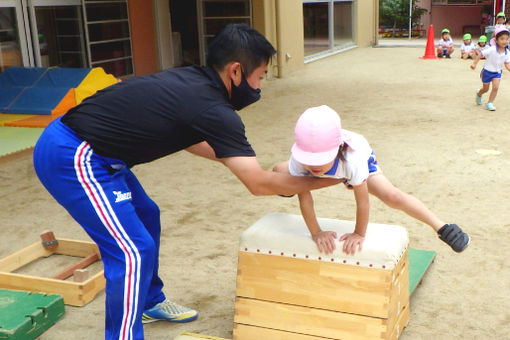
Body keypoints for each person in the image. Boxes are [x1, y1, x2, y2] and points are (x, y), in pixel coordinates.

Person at [32, 24, 341, 340]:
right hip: (73, 153)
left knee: (146, 214)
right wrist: (332, 179)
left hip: (97, 149)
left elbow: (188, 138)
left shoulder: (197, 83)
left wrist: (244, 164)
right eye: (260, 76)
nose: (260, 86)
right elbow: (258, 185)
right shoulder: (216, 109)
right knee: (132, 250)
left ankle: (148, 300)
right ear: (236, 71)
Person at [273, 105, 470, 256]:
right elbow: (305, 199)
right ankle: (292, 176)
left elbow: (363, 201)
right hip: (333, 169)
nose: (314, 165)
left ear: (336, 149)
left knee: (392, 196)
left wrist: (359, 233)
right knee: (278, 174)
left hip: (356, 164)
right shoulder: (300, 158)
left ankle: (443, 227)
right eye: (310, 161)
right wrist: (316, 233)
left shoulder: (353, 160)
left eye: (320, 160)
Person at [471, 27, 510, 111]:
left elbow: (507, 64)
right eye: (502, 39)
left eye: (507, 39)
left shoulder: (507, 52)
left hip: (497, 73)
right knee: (485, 89)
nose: (505, 41)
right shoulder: (491, 49)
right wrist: (474, 64)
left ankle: (489, 103)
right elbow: (481, 54)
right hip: (487, 72)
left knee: (495, 88)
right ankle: (479, 93)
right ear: (496, 40)